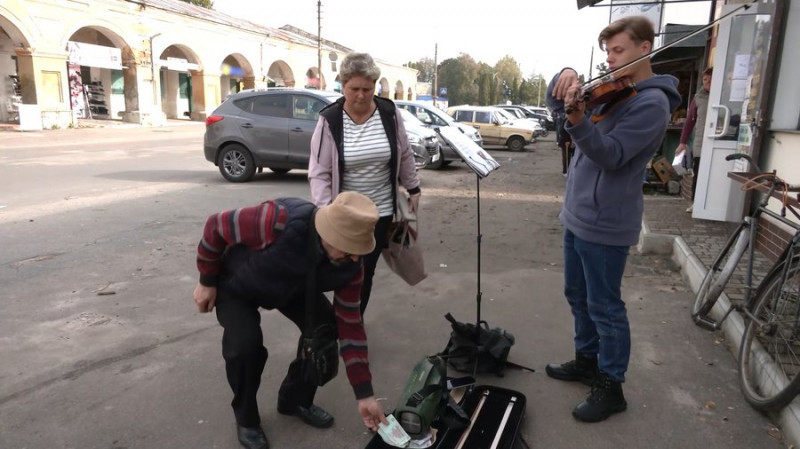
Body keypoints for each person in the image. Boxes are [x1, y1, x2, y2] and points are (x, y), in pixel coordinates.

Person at [544, 16, 681, 423]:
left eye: (618, 51)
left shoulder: (651, 103)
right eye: (607, 52)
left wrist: (579, 121)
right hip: (578, 214)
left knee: (606, 306)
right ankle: (587, 361)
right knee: (577, 296)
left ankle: (611, 384)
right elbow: (558, 105)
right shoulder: (614, 91)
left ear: (645, 48)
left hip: (606, 223)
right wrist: (565, 76)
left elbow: (613, 155)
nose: (610, 60)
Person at [192, 191, 387, 449]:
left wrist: (365, 395)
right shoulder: (278, 221)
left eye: (359, 251)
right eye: (350, 249)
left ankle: (294, 399)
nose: (355, 259)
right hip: (238, 283)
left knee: (325, 327)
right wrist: (207, 280)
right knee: (245, 347)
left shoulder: (351, 266)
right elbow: (215, 225)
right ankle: (247, 418)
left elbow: (350, 326)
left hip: (292, 286)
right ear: (329, 235)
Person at [308, 52, 421, 316]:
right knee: (341, 270)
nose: (361, 95)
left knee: (364, 273)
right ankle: (335, 324)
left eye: (367, 89)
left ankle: (353, 323)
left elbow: (404, 153)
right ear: (343, 86)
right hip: (344, 215)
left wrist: (413, 188)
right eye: (354, 89)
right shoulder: (331, 120)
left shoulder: (389, 113)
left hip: (380, 214)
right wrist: (326, 212)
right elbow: (319, 172)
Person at [676, 67, 713, 213]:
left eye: (711, 80)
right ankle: (695, 203)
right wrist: (682, 143)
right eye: (705, 79)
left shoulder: (723, 97)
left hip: (719, 142)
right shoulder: (698, 98)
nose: (708, 82)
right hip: (701, 143)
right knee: (698, 174)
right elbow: (690, 122)